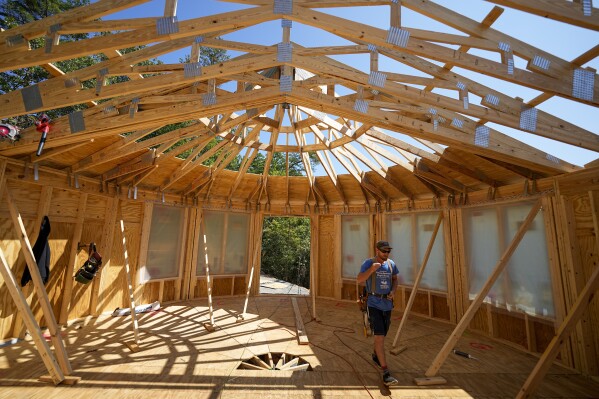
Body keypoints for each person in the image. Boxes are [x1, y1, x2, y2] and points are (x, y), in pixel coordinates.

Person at [357, 240, 399, 386]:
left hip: (387, 305)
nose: (386, 254)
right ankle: (385, 372)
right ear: (377, 250)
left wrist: (393, 291)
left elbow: (395, 280)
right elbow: (359, 279)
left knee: (383, 334)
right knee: (379, 337)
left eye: (388, 251)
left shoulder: (391, 264)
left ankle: (376, 355)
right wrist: (372, 270)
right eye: (384, 251)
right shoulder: (369, 263)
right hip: (374, 304)